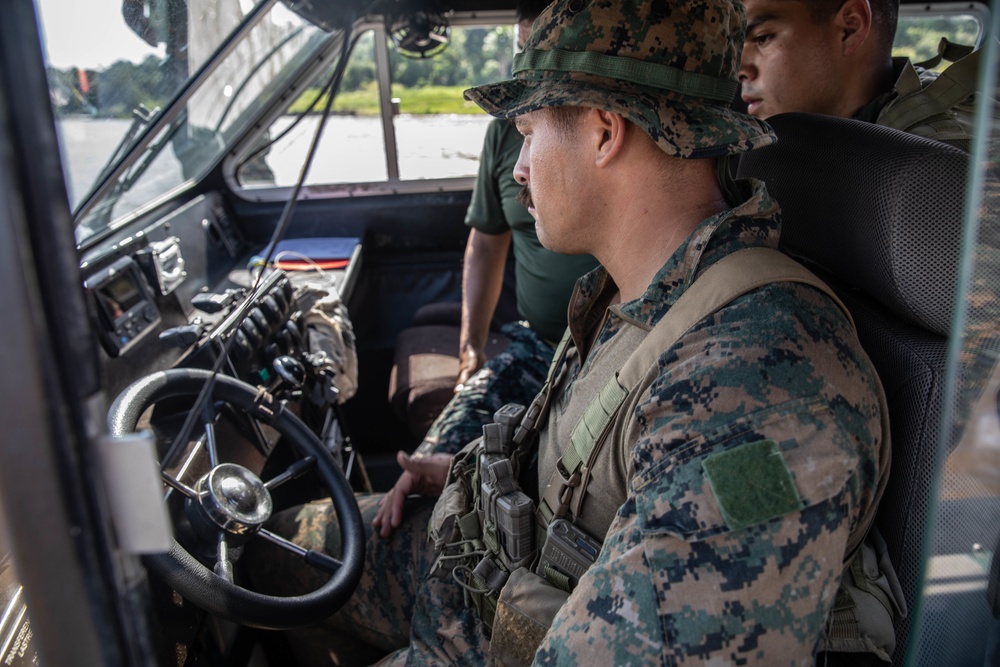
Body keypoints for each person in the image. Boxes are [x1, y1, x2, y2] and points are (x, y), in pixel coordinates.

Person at [250, 0, 890, 664]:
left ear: (604, 131)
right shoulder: (635, 289)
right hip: (490, 572)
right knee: (270, 545)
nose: (519, 167)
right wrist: (484, 474)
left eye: (529, 132)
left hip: (498, 626)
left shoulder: (754, 385)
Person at [399, 0, 600, 474]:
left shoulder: (602, 143)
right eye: (520, 49)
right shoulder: (502, 136)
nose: (521, 172)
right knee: (425, 471)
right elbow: (486, 243)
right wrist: (470, 346)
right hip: (539, 346)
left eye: (543, 52)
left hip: (602, 355)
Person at [737, 0, 976, 150]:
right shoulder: (808, 140)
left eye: (762, 38)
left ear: (849, 29)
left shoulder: (938, 162)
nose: (740, 71)